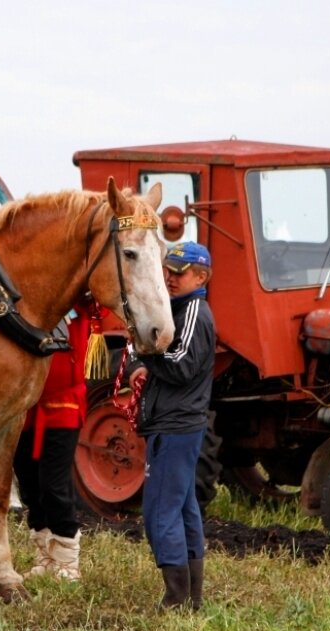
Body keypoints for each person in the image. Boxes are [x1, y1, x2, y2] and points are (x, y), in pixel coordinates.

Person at [129, 242, 215, 611]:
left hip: (176, 425)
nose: (171, 277)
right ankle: (190, 597)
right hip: (176, 423)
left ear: (201, 276)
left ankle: (176, 599)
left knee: (160, 511)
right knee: (183, 508)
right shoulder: (179, 308)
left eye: (179, 272)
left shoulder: (194, 310)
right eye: (169, 270)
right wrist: (140, 364)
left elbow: (180, 365)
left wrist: (146, 354)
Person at [13, 300, 100, 581]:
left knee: (54, 485)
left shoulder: (81, 301)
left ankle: (67, 561)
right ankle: (45, 557)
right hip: (25, 406)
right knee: (28, 484)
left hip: (63, 406)